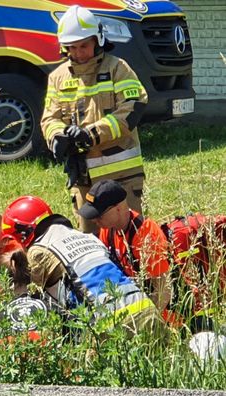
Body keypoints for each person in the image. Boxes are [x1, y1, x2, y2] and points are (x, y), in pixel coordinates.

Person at [41, 5, 148, 234]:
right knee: (91, 244)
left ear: (97, 40)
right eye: (72, 47)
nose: (78, 53)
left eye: (84, 46)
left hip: (123, 179)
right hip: (84, 180)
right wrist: (57, 137)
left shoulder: (118, 69)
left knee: (131, 239)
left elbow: (132, 109)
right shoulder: (57, 78)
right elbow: (49, 118)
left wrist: (91, 134)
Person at [3, 196, 164, 336]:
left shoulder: (40, 251)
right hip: (147, 311)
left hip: (112, 325)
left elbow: (39, 304)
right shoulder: (85, 236)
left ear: (22, 234)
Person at [78, 180, 172, 314]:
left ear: (118, 208)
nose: (94, 220)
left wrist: (148, 321)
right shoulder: (108, 229)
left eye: (98, 215)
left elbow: (165, 290)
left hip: (162, 311)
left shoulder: (146, 235)